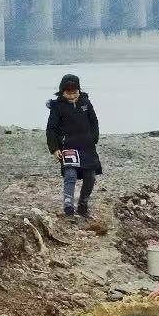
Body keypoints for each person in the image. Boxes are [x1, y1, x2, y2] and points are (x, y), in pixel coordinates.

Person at [45, 73, 102, 218]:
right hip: (68, 146)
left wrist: (93, 138)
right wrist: (54, 148)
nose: (72, 96)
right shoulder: (57, 107)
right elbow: (51, 129)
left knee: (90, 176)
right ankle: (68, 204)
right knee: (70, 174)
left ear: (79, 91)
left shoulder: (85, 102)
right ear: (62, 92)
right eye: (68, 93)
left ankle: (83, 205)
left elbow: (94, 122)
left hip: (87, 146)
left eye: (75, 93)